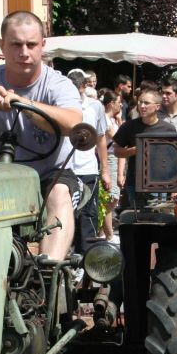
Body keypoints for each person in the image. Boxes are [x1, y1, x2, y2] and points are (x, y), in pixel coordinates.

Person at [0, 10, 83, 261]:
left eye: (31, 44)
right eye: (16, 44)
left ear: (43, 45)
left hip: (49, 175)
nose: (24, 52)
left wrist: (25, 104)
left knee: (59, 192)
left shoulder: (57, 84)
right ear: (2, 46)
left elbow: (74, 123)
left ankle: (49, 269)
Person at [66, 69, 109, 260]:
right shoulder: (61, 105)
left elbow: (101, 139)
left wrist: (105, 171)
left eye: (78, 88)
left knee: (88, 216)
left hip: (88, 169)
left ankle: (87, 260)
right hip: (65, 169)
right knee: (66, 215)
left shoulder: (95, 106)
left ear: (84, 86)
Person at [112, 89, 175, 209]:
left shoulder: (168, 129)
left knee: (157, 219)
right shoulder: (129, 126)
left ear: (157, 106)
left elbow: (173, 160)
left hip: (159, 184)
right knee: (136, 220)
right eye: (140, 102)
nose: (142, 106)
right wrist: (135, 150)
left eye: (146, 103)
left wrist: (174, 188)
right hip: (134, 183)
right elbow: (117, 152)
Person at [100, 89, 123, 243]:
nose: (121, 105)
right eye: (118, 102)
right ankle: (108, 234)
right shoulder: (106, 121)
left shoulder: (112, 120)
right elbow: (120, 139)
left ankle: (103, 232)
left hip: (115, 159)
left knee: (114, 197)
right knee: (111, 198)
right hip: (110, 160)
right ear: (111, 104)